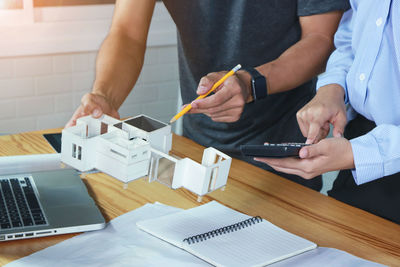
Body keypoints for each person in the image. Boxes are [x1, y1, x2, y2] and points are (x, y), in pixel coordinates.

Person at [66, 0, 349, 191]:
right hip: (196, 146)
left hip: (281, 151)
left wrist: (251, 84)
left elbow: (321, 40)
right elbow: (127, 32)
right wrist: (106, 96)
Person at [256, 0, 400, 224]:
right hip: (361, 148)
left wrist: (356, 154)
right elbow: (353, 37)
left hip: (367, 153)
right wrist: (332, 87)